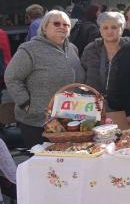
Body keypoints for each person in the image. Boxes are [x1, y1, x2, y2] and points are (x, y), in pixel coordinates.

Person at [4, 10, 84, 148]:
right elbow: (12, 77)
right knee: (43, 165)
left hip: (68, 119)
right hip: (37, 122)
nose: (62, 27)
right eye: (56, 23)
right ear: (44, 27)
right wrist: (26, 103)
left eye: (66, 25)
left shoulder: (72, 49)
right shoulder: (30, 49)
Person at [80, 12, 130, 97]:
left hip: (121, 104)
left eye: (114, 27)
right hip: (92, 103)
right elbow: (82, 75)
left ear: (122, 29)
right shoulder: (90, 49)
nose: (109, 31)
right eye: (105, 28)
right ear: (100, 30)